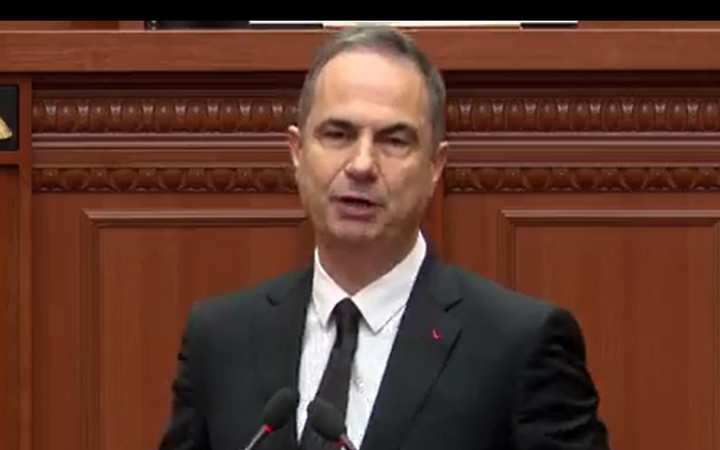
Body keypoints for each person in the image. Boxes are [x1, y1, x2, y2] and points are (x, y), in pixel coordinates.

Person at [157, 25, 610, 450]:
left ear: (435, 166)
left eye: (394, 141)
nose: (361, 165)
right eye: (338, 134)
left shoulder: (518, 343)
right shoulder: (220, 338)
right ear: (296, 152)